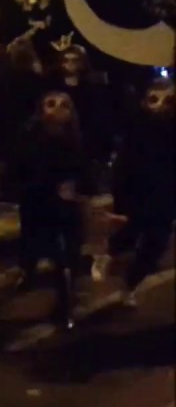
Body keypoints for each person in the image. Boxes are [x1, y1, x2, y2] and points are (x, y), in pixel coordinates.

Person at [94, 77, 175, 306]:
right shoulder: (137, 128)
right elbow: (124, 165)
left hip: (164, 197)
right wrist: (119, 198)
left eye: (168, 100)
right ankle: (108, 255)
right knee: (127, 236)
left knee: (155, 246)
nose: (161, 105)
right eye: (154, 99)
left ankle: (130, 285)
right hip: (136, 194)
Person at [11, 90, 87, 328]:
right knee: (36, 244)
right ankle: (28, 269)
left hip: (67, 205)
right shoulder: (29, 136)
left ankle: (65, 307)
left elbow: (85, 170)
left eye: (64, 105)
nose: (57, 109)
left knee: (66, 255)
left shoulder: (75, 138)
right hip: (38, 202)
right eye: (50, 104)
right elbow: (17, 170)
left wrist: (77, 186)